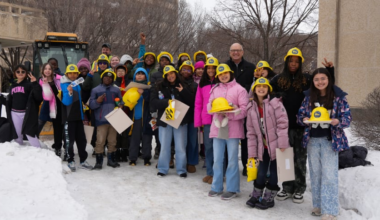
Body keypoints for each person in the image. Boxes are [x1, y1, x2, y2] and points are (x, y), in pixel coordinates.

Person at [297, 68, 351, 220]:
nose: (320, 82)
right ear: (313, 82)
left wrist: (338, 121)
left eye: (323, 78)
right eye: (316, 79)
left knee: (329, 175)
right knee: (315, 174)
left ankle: (330, 209)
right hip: (312, 141)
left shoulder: (338, 97)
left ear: (328, 79)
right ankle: (319, 205)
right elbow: (300, 115)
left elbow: (347, 117)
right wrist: (304, 120)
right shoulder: (308, 98)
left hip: (330, 141)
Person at [270, 47, 311, 203]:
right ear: (286, 62)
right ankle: (287, 187)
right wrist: (276, 95)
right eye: (291, 61)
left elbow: (323, 86)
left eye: (296, 61)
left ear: (300, 63)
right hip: (283, 127)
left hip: (301, 126)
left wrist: (330, 71)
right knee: (285, 157)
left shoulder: (307, 79)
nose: (293, 64)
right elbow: (266, 91)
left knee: (300, 158)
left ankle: (299, 188)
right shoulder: (278, 79)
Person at [245, 77, 289, 209]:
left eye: (264, 87)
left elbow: (283, 124)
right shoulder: (251, 108)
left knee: (275, 173)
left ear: (268, 89)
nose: (261, 88)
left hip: (277, 146)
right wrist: (252, 153)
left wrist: (282, 144)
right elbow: (251, 132)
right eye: (259, 86)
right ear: (254, 90)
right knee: (261, 172)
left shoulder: (275, 104)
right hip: (262, 147)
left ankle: (269, 197)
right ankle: (257, 194)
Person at [207, 64, 248, 200]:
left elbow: (244, 110)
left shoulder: (240, 89)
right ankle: (216, 186)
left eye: (225, 73)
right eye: (220, 74)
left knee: (232, 160)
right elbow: (209, 106)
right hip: (217, 127)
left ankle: (232, 188)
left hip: (233, 129)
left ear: (230, 73)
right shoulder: (215, 89)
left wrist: (230, 112)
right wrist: (214, 108)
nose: (223, 76)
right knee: (217, 159)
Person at [150, 65, 193, 178]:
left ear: (176, 73)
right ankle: (163, 168)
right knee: (164, 145)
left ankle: (181, 169)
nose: (170, 76)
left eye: (172, 73)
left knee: (180, 146)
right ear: (165, 76)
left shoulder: (183, 84)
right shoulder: (159, 86)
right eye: (167, 75)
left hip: (180, 119)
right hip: (166, 118)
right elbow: (153, 102)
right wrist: (167, 102)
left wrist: (183, 92)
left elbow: (191, 101)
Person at [225, 43, 256, 176]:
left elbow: (255, 85)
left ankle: (246, 165)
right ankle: (227, 166)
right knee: (228, 138)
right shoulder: (225, 67)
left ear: (242, 52)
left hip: (246, 108)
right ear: (230, 52)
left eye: (238, 50)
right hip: (228, 110)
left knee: (246, 139)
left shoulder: (251, 67)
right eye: (233, 51)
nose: (235, 53)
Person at [60, 64, 93, 171]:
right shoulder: (64, 84)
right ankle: (70, 161)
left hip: (79, 117)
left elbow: (79, 101)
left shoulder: (77, 84)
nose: (73, 75)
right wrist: (69, 92)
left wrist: (83, 113)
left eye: (75, 73)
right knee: (69, 141)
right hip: (69, 118)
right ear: (67, 74)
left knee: (82, 140)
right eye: (70, 73)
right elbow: (65, 102)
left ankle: (83, 160)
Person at [89, 70, 123, 169]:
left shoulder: (116, 90)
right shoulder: (95, 90)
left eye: (110, 77)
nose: (108, 79)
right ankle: (99, 162)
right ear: (102, 78)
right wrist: (98, 101)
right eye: (105, 77)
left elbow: (121, 101)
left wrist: (121, 105)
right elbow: (91, 105)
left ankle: (111, 160)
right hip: (101, 120)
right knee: (100, 141)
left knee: (112, 141)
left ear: (113, 79)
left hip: (114, 120)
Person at [194, 57, 219, 184]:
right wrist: (198, 121)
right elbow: (198, 103)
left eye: (213, 67)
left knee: (219, 148)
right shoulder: (202, 84)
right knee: (208, 147)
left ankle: (219, 173)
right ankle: (210, 172)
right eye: (208, 68)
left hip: (220, 119)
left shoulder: (221, 82)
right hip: (207, 120)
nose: (211, 70)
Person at [7, 64, 42, 148]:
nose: (20, 73)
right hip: (14, 113)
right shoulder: (12, 86)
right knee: (17, 134)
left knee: (30, 133)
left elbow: (38, 97)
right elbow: (10, 100)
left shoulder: (29, 85)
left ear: (26, 73)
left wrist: (35, 83)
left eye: (23, 71)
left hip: (27, 113)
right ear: (15, 73)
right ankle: (20, 153)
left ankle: (38, 151)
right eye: (18, 71)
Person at [38, 63, 65, 157]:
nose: (47, 70)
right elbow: (48, 97)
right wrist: (45, 84)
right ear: (43, 71)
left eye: (49, 69)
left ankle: (63, 147)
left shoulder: (60, 78)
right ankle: (57, 148)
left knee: (62, 128)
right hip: (53, 106)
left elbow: (62, 92)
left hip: (62, 105)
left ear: (52, 70)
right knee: (56, 127)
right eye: (45, 69)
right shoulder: (42, 81)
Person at [128, 67, 153, 166]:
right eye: (137, 74)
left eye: (142, 74)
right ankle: (133, 158)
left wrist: (144, 93)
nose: (139, 75)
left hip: (147, 118)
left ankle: (146, 158)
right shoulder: (131, 87)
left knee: (147, 139)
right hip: (135, 118)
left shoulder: (149, 88)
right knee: (134, 139)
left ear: (145, 76)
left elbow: (152, 101)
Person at [179, 60, 198, 173]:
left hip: (191, 116)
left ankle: (191, 162)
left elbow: (193, 101)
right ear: (180, 71)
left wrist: (184, 92)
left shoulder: (195, 85)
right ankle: (182, 161)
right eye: (184, 69)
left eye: (188, 69)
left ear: (192, 72)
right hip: (179, 115)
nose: (186, 71)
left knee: (192, 140)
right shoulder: (176, 82)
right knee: (180, 141)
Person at [114, 64, 131, 162]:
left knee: (125, 133)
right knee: (116, 133)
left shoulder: (129, 83)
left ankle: (124, 153)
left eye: (122, 71)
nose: (120, 72)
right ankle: (116, 152)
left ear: (126, 72)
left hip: (126, 110)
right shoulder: (113, 82)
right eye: (118, 71)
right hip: (116, 110)